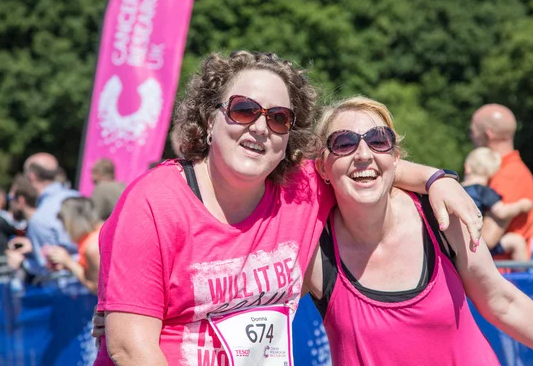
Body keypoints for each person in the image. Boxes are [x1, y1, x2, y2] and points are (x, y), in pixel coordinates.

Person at [93, 51, 482, 366]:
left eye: (279, 118)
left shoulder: (301, 189)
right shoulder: (153, 203)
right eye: (244, 110)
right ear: (210, 120)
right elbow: (130, 349)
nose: (261, 128)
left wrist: (437, 179)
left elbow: (364, 163)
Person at [306, 96, 533, 366]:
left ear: (396, 159)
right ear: (322, 166)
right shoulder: (312, 248)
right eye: (343, 143)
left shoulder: (440, 217)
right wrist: (432, 176)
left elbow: (502, 301)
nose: (363, 154)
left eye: (379, 141)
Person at [469, 104, 533, 259]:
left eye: (472, 132)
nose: (471, 137)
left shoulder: (508, 175)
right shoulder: (499, 171)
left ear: (488, 135)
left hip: (503, 276)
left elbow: (487, 238)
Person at [7, 153, 79, 276]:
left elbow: (48, 269)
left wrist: (22, 263)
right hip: (94, 282)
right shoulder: (78, 197)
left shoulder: (40, 217)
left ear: (32, 176)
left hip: (66, 289)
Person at [462, 147, 533, 261]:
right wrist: (520, 205)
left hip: (457, 243)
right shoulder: (483, 192)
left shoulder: (457, 189)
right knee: (517, 241)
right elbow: (502, 212)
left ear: (467, 167)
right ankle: (524, 277)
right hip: (477, 245)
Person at [44, 197, 102, 294]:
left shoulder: (93, 246)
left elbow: (96, 287)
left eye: (63, 221)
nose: (64, 228)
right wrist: (66, 265)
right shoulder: (90, 238)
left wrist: (68, 262)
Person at [5, 175, 39, 270]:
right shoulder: (32, 224)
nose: (9, 202)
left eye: (11, 199)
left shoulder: (37, 224)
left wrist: (22, 263)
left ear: (21, 201)